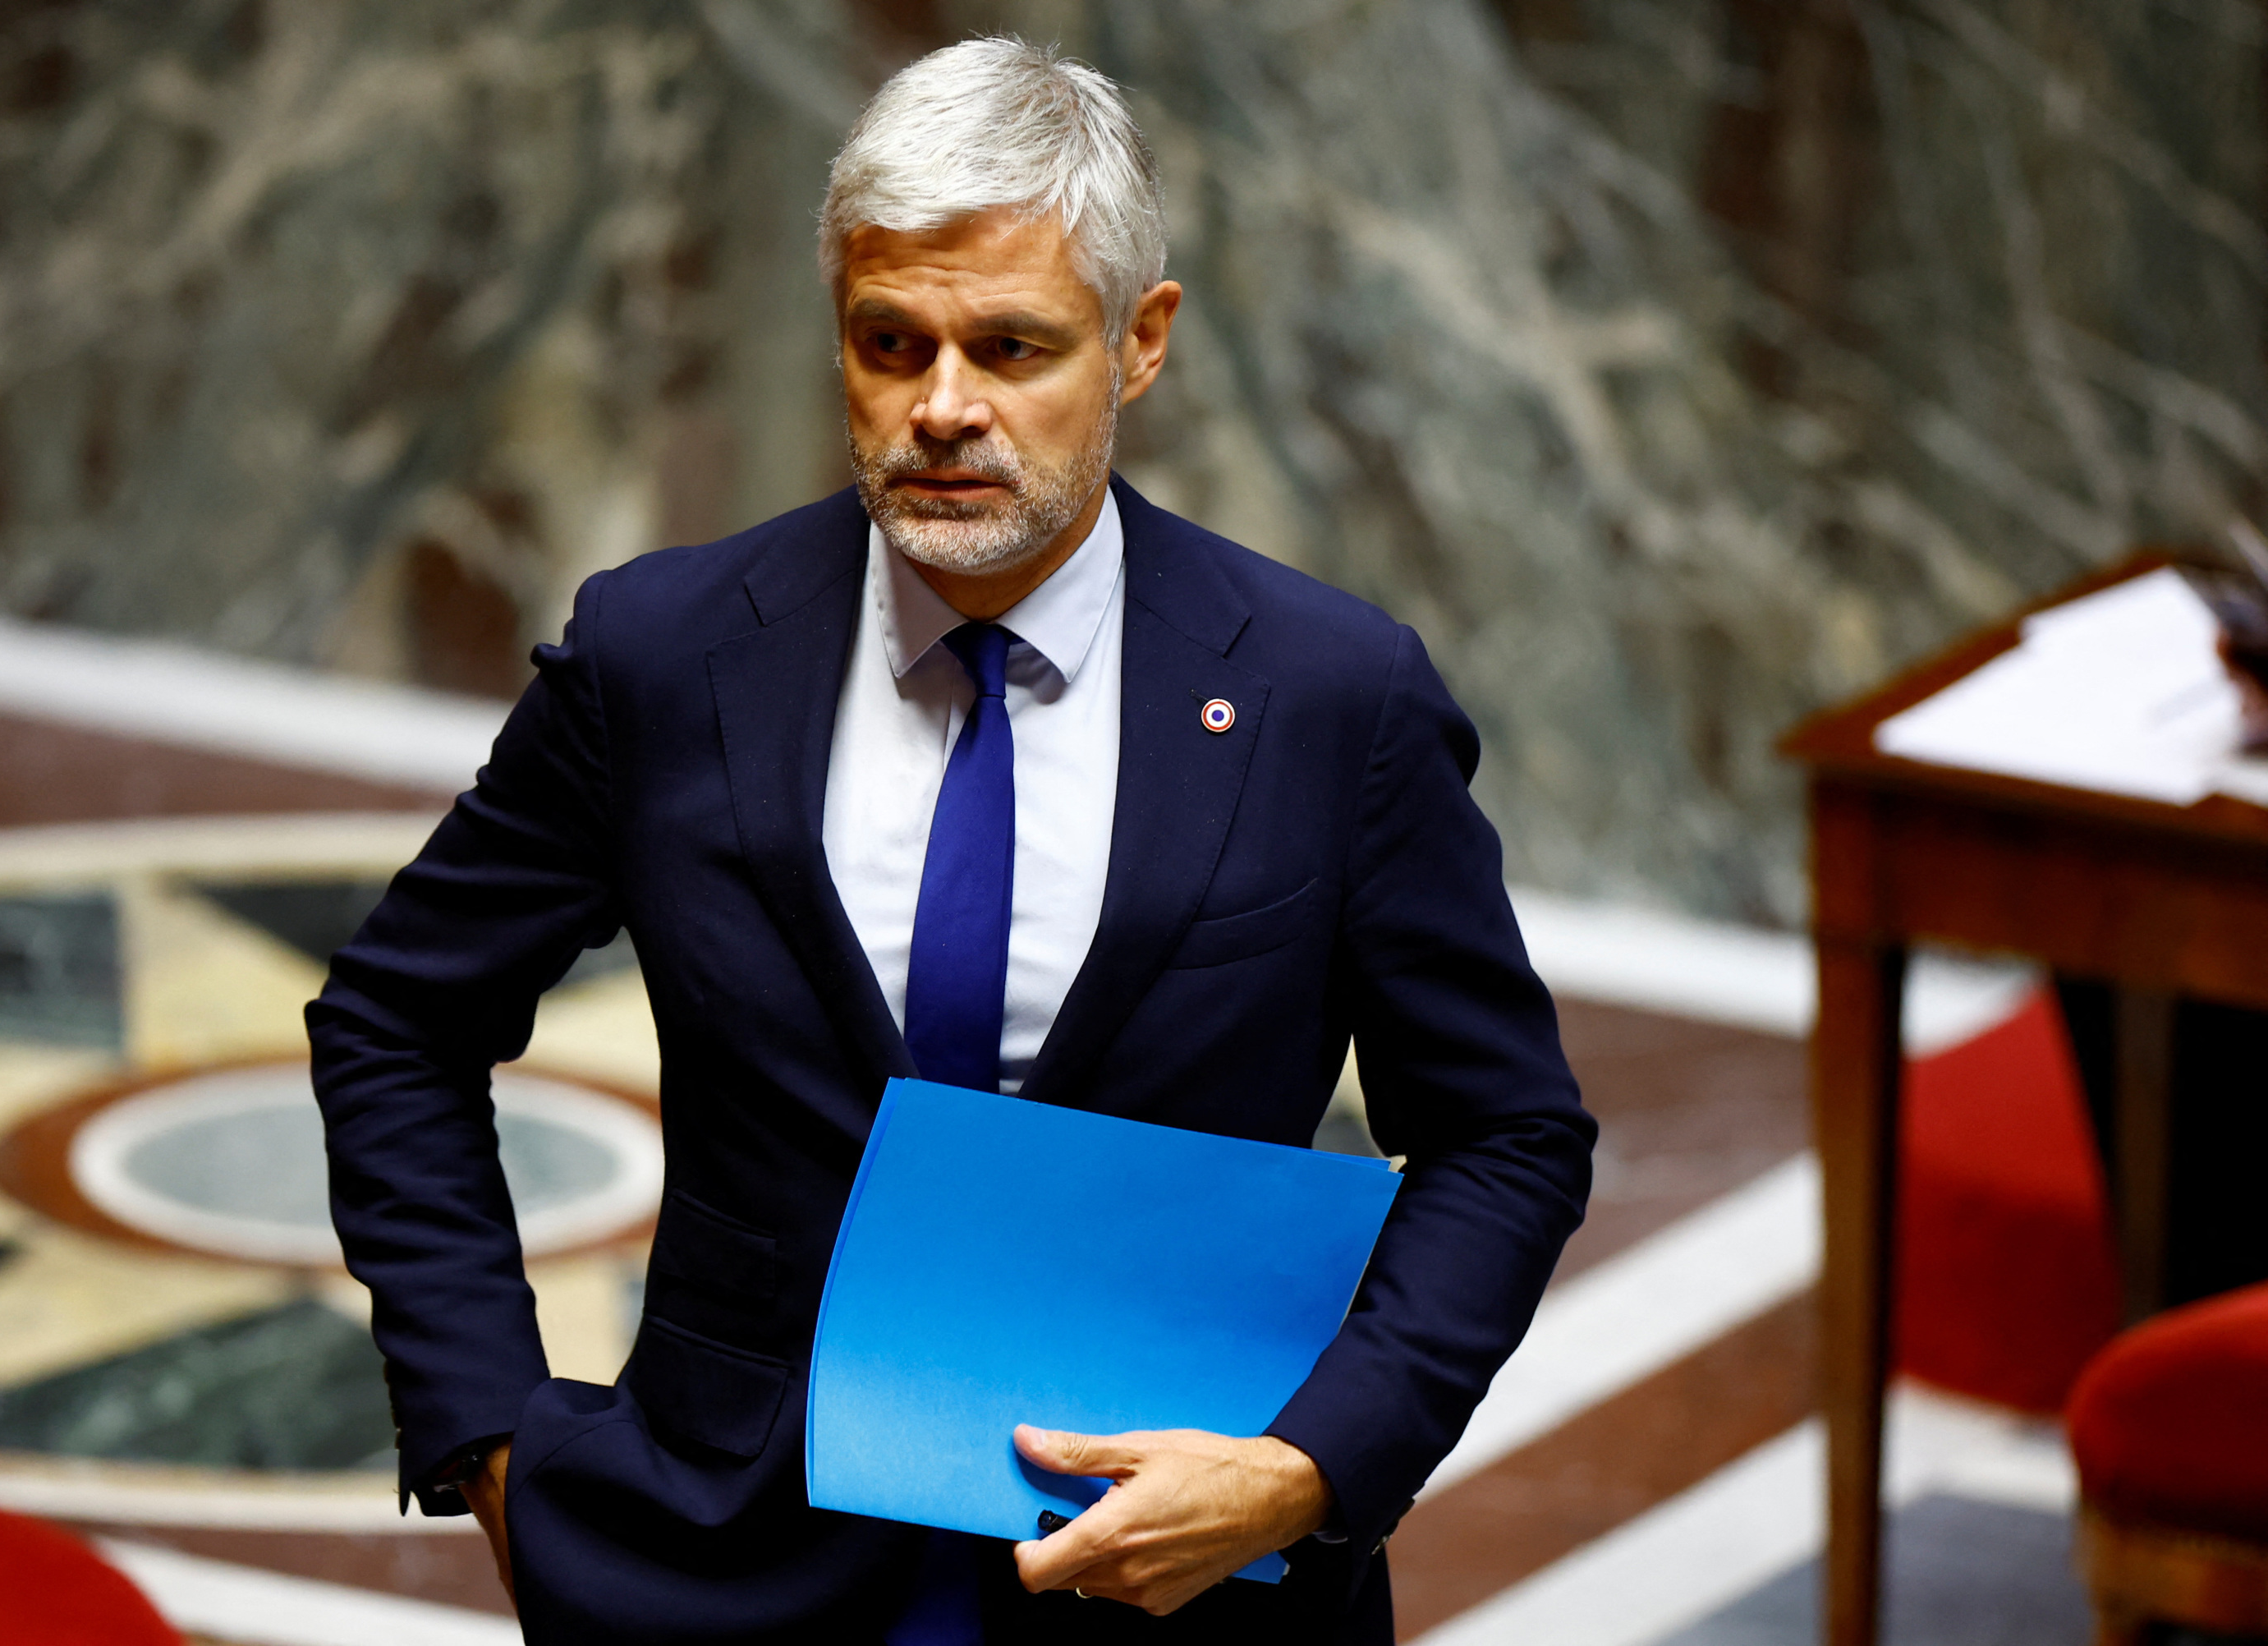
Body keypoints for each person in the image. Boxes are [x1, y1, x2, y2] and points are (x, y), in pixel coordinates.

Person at [309, 37, 1594, 1646]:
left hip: (1174, 1583)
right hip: (726, 1569)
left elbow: (1507, 1136)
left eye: (1011, 346)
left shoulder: (1331, 700)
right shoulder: (668, 657)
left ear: (1141, 343)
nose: (941, 409)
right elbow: (395, 1019)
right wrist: (492, 1435)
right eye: (889, 341)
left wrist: (1312, 1467)